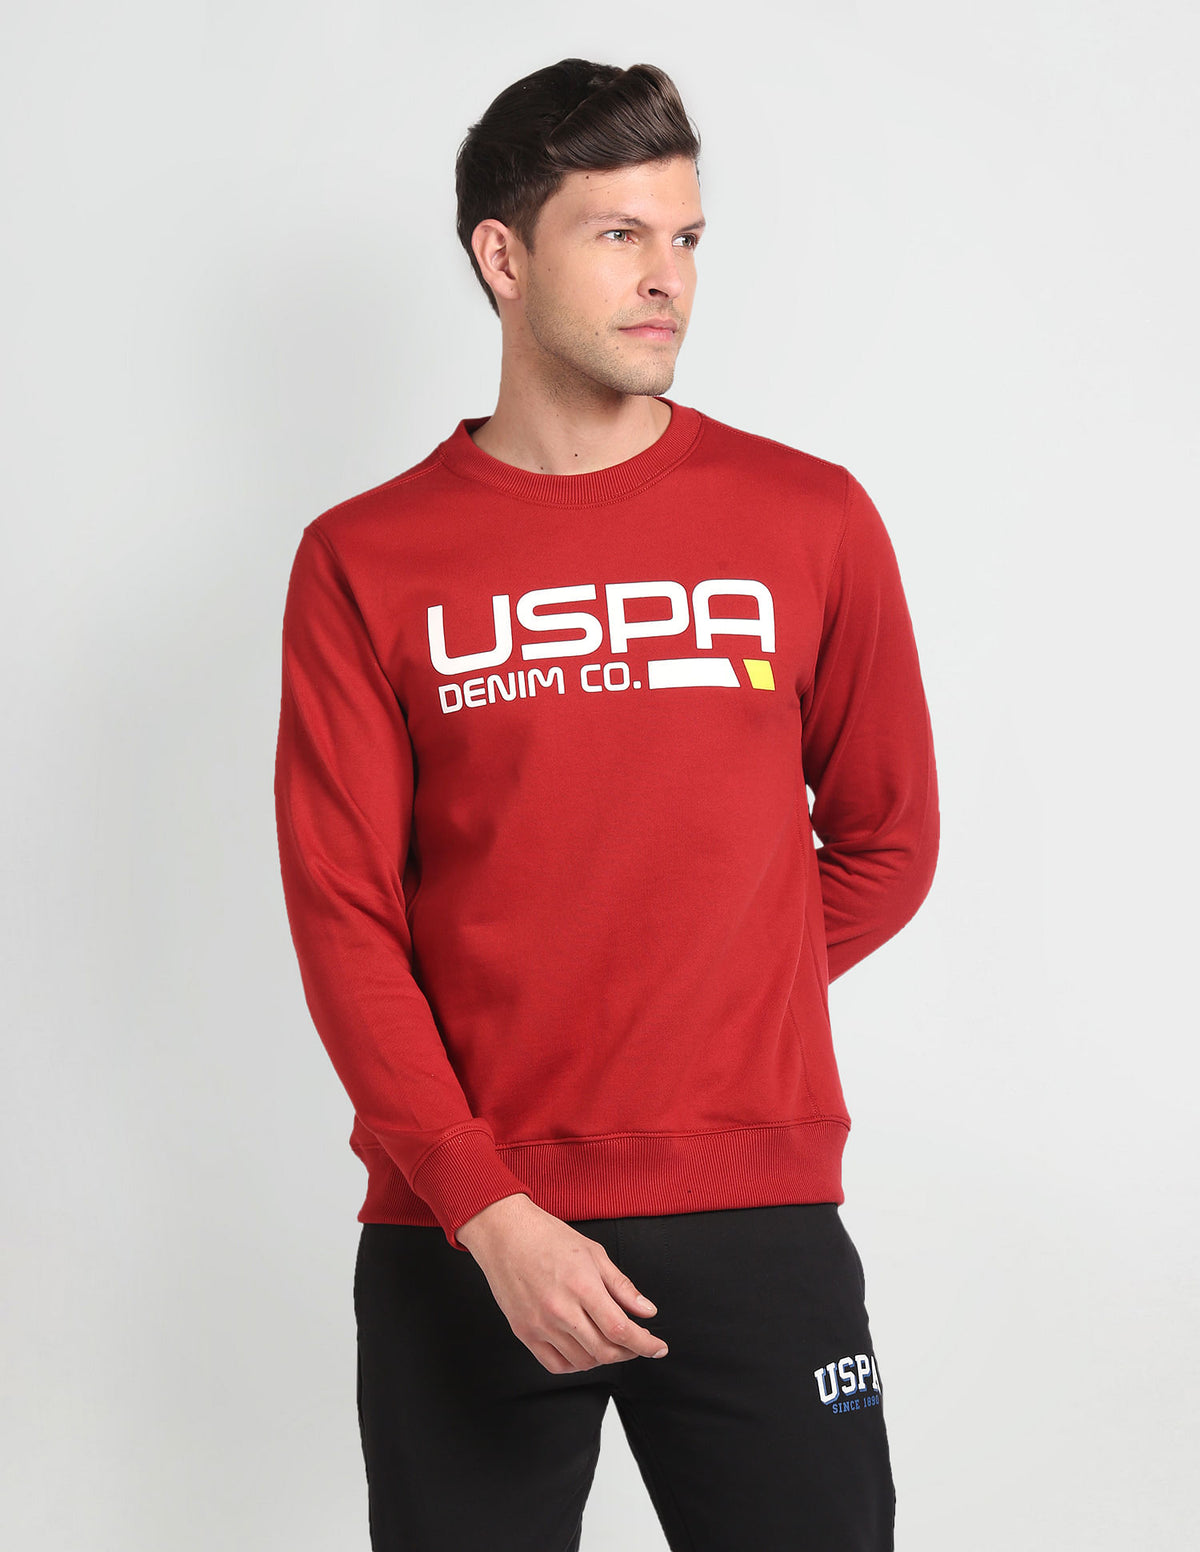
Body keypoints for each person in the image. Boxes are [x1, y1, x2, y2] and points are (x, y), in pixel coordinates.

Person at [273, 56, 939, 1552]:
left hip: (755, 1216)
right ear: (502, 257)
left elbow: (889, 841)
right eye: (619, 233)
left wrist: (710, 986)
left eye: (686, 236)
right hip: (464, 1230)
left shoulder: (809, 518)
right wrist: (484, 1205)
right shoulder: (365, 560)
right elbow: (343, 915)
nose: (667, 277)